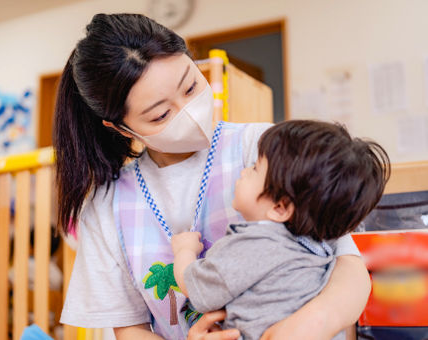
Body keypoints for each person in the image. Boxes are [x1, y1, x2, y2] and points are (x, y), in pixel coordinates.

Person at [55, 13, 371, 340]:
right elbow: (130, 329)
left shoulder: (265, 149)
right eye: (161, 114)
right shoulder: (108, 204)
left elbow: (348, 266)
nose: (190, 112)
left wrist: (306, 326)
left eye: (191, 86)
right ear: (119, 127)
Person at [172, 120, 390, 340]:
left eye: (255, 168)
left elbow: (197, 290)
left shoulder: (252, 246)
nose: (245, 171)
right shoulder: (319, 246)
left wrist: (184, 251)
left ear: (280, 208)